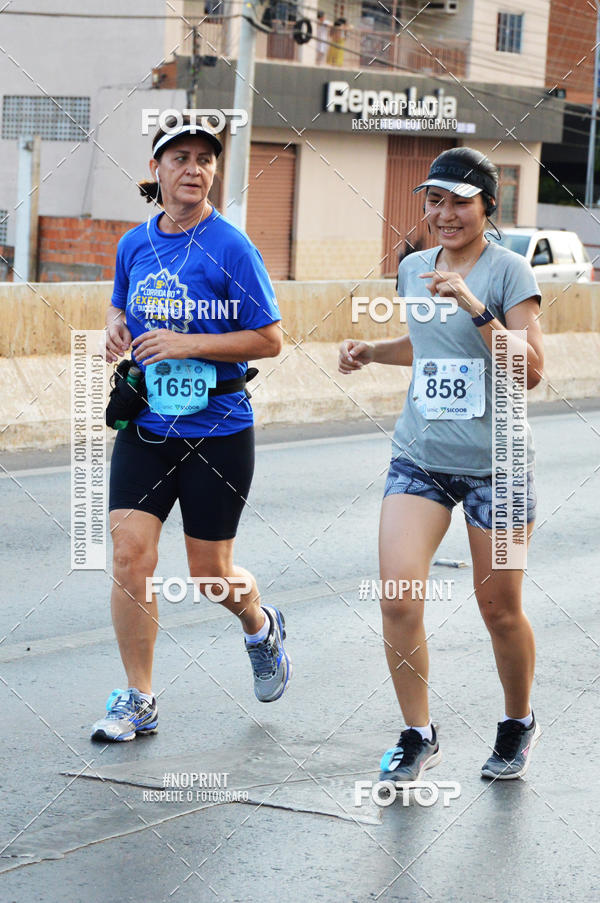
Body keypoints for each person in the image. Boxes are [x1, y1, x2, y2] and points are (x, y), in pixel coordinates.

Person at [339, 147, 544, 782]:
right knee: (398, 598)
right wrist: (374, 350)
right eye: (435, 200)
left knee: (499, 608)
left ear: (488, 206)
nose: (445, 213)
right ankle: (417, 733)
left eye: (459, 201)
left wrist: (474, 306)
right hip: (420, 457)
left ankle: (516, 723)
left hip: (498, 464)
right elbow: (428, 347)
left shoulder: (509, 272)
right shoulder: (412, 269)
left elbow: (531, 371)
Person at [92, 114, 292, 742]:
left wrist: (189, 343)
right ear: (156, 171)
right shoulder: (134, 244)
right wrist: (116, 327)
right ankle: (138, 699)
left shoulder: (232, 247)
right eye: (179, 158)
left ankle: (260, 625)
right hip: (148, 423)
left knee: (211, 576)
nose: (193, 169)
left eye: (204, 159)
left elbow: (270, 339)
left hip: (218, 429)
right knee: (130, 556)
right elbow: (123, 303)